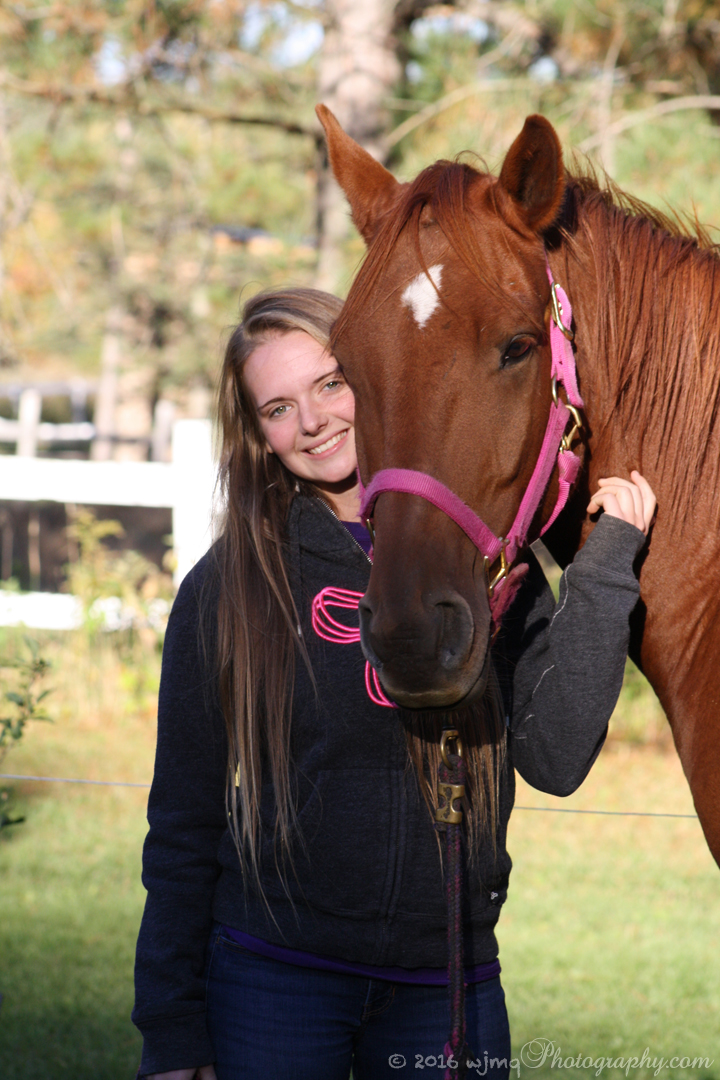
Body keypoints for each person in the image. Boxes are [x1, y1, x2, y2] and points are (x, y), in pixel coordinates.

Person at [132, 287, 656, 1080]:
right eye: (278, 408)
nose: (313, 421)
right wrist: (171, 1028)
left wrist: (606, 568)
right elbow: (182, 820)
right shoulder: (229, 586)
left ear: (379, 373)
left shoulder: (478, 560)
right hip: (274, 983)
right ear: (259, 435)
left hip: (445, 983)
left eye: (330, 384)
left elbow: (556, 756)